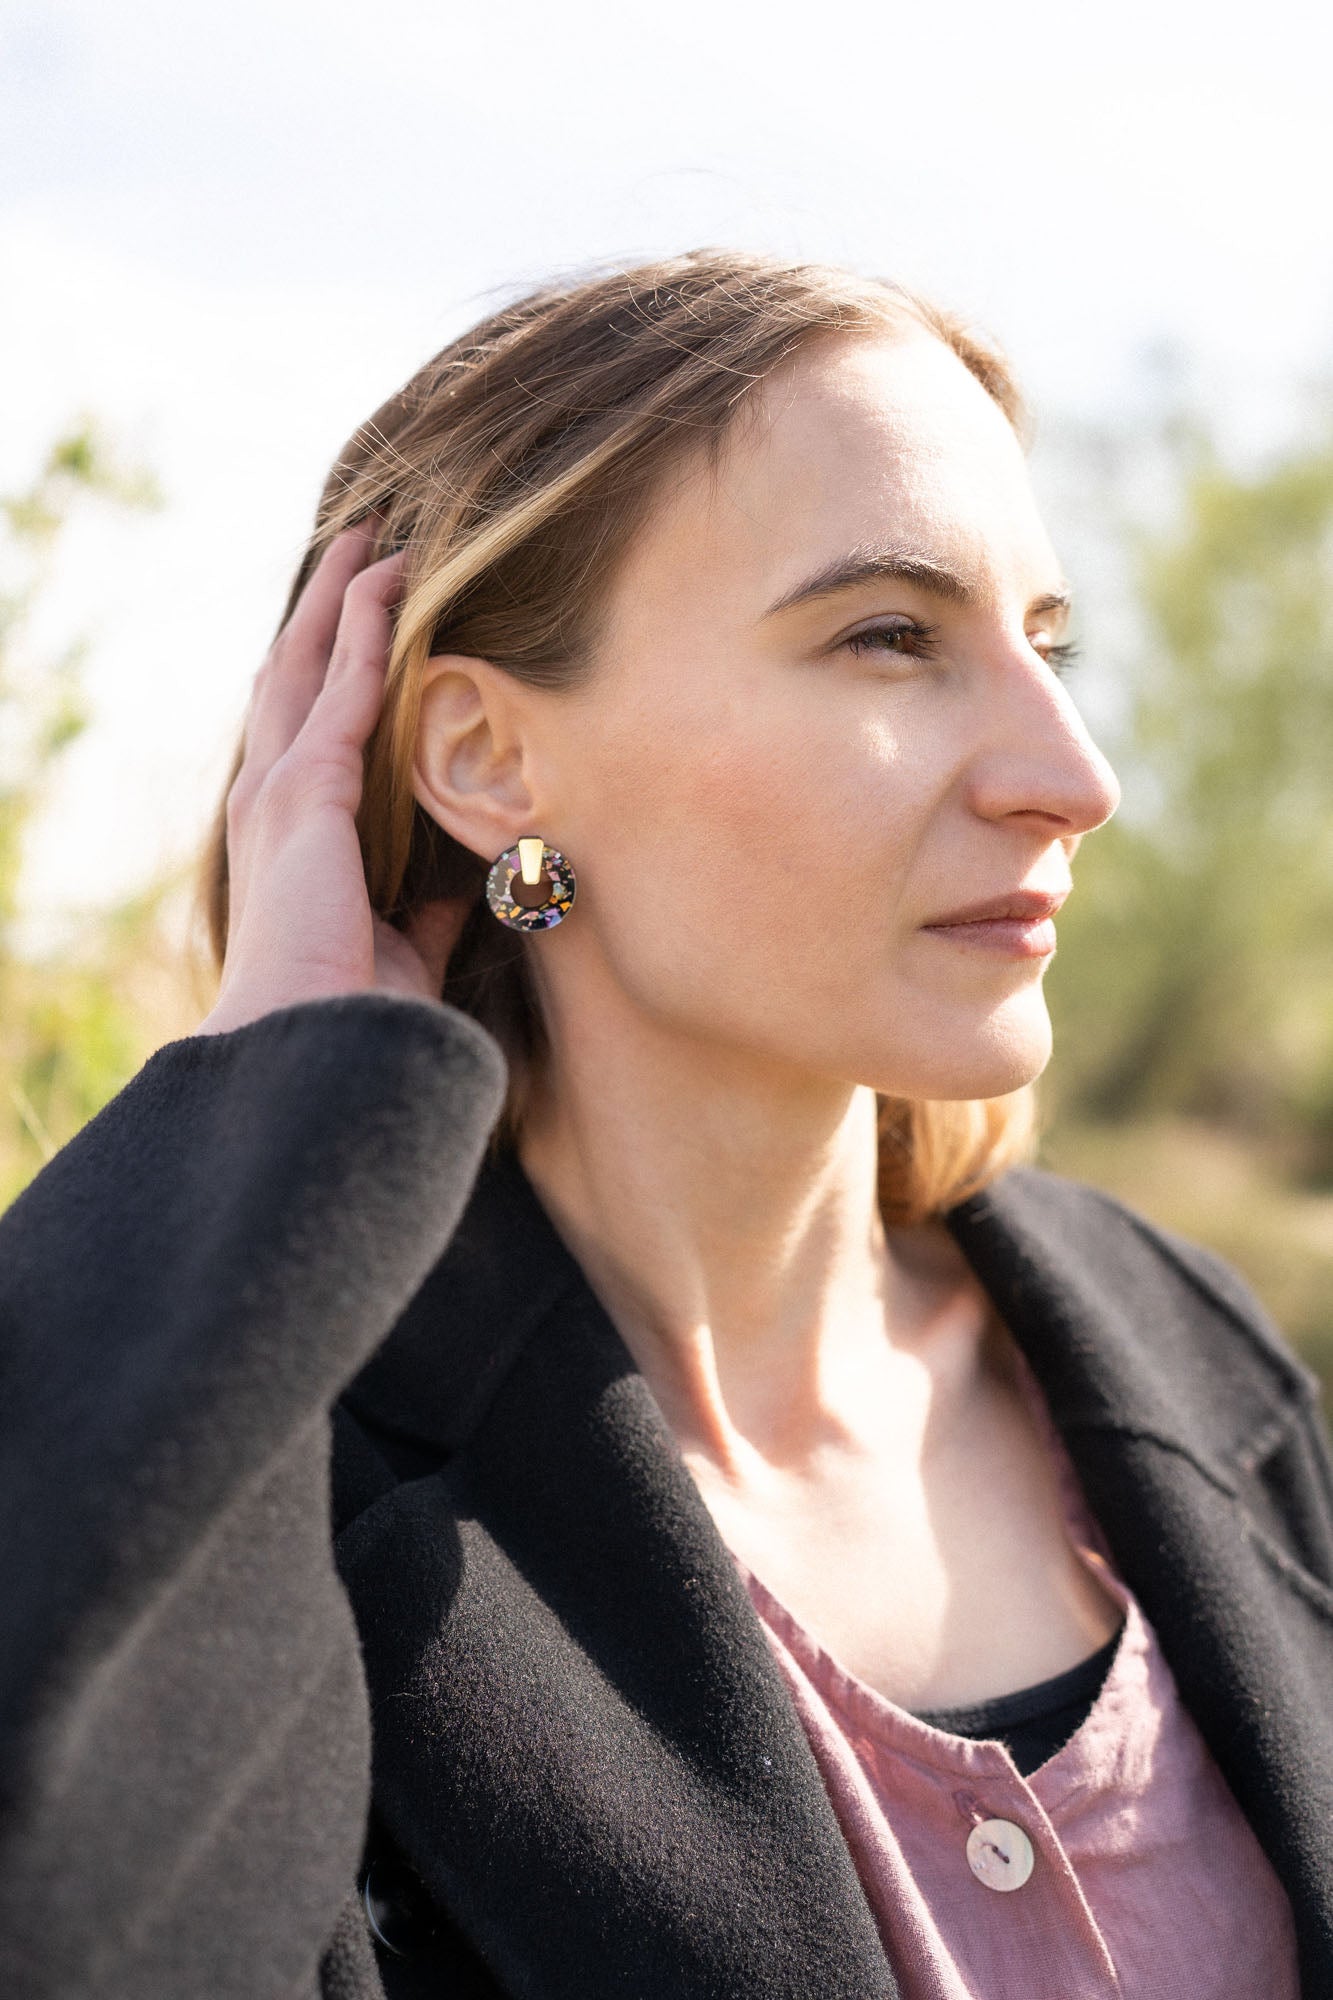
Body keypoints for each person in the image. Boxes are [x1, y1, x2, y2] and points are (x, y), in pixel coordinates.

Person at [1, 251, 1330, 2000]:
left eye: (1046, 642)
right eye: (887, 637)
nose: (1073, 777)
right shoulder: (266, 1493)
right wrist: (266, 1107)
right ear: (487, 759)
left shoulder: (1181, 1351)